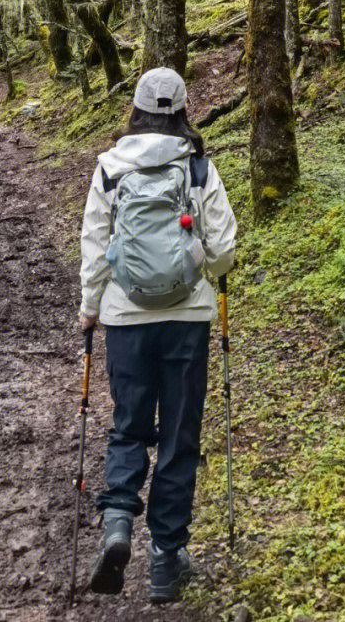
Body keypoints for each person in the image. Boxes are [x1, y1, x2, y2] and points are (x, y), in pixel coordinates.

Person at [79, 66, 237, 603]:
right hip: (187, 319)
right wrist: (204, 268)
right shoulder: (197, 166)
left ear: (138, 108)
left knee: (128, 426)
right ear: (183, 110)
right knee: (178, 438)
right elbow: (223, 249)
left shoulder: (109, 167)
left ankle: (119, 522)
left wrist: (89, 309)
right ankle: (166, 562)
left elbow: (96, 244)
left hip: (125, 319)